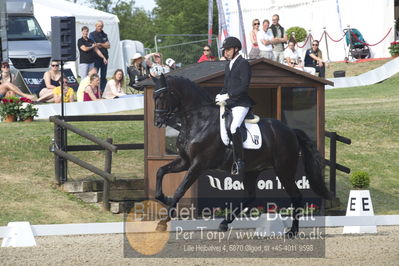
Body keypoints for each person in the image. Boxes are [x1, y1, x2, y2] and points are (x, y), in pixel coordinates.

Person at [215, 36, 254, 177]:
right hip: (230, 102)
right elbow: (226, 86)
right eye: (224, 50)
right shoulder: (228, 65)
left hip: (241, 103)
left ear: (236, 49)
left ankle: (239, 161)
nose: (226, 52)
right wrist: (220, 95)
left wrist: (229, 95)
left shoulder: (243, 63)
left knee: (233, 127)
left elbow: (244, 86)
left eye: (228, 49)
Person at [89, 20, 110, 91]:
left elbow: (108, 45)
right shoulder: (92, 34)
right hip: (96, 58)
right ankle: (94, 90)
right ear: (95, 26)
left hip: (105, 57)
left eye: (101, 26)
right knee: (95, 75)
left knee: (103, 76)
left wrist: (100, 44)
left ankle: (102, 90)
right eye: (98, 26)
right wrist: (104, 44)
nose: (100, 27)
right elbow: (94, 45)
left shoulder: (105, 34)